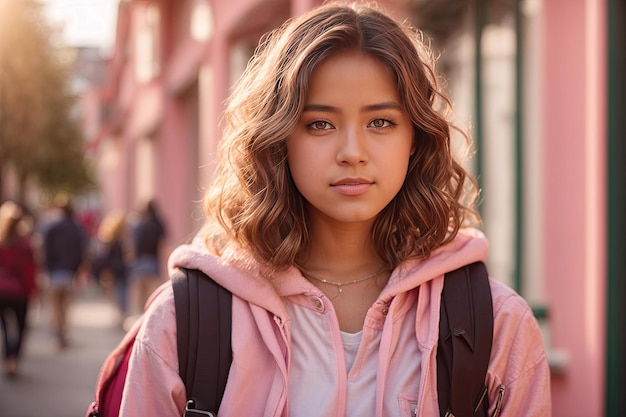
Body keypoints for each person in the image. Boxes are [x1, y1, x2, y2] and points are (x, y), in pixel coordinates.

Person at [118, 3, 551, 416]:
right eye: (320, 124)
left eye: (380, 122)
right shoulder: (184, 321)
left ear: (415, 139)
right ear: (278, 139)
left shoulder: (495, 324)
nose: (352, 152)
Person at [42, 195, 88, 348]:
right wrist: (78, 269)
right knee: (65, 306)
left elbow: (45, 250)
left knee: (55, 305)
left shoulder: (51, 227)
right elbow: (81, 251)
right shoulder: (76, 227)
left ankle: (58, 334)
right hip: (69, 272)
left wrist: (46, 268)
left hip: (54, 271)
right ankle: (63, 333)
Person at [0, 201, 38, 378]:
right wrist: (33, 290)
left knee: (7, 328)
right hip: (19, 292)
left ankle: (9, 358)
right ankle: (14, 358)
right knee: (21, 327)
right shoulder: (24, 243)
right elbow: (29, 269)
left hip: (2, 291)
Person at [127, 199, 166, 325]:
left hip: (140, 261)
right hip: (153, 261)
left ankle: (141, 318)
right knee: (152, 293)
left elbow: (133, 245)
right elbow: (162, 246)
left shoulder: (139, 224)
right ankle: (150, 317)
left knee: (140, 293)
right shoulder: (158, 225)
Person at [93, 210, 130, 323]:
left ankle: (120, 313)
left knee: (115, 291)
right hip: (121, 269)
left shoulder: (109, 239)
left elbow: (104, 256)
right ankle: (122, 313)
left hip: (113, 269)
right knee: (122, 291)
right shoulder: (123, 239)